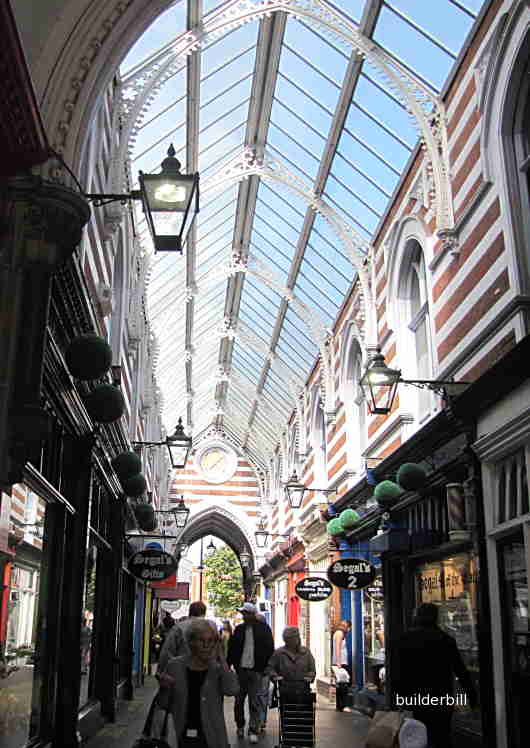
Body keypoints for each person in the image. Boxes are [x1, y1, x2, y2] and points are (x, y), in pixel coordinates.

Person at [392, 603, 477, 748]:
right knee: (441, 736)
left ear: (417, 617)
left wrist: (398, 697)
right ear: (435, 618)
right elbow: (460, 670)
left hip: (415, 698)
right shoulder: (446, 640)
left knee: (415, 737)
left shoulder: (404, 640)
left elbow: (397, 672)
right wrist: (472, 695)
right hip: (441, 697)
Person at [161, 618, 239, 748]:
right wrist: (165, 688)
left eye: (211, 641)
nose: (206, 645)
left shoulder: (217, 669)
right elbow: (163, 704)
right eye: (201, 640)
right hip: (180, 737)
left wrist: (221, 657)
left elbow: (232, 689)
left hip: (211, 738)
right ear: (191, 642)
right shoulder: (174, 666)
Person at [227, 602, 274, 743]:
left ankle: (253, 729)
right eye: (243, 613)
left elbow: (269, 649)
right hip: (241, 671)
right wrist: (228, 665)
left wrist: (267, 667)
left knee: (254, 701)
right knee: (239, 701)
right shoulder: (239, 629)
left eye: (245, 613)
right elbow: (232, 648)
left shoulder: (264, 629)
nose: (243, 616)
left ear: (252, 614)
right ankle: (240, 726)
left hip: (256, 671)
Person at [158, 601, 218, 676]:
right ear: (204, 612)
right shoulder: (213, 627)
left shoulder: (179, 627)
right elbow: (219, 650)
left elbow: (167, 651)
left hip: (182, 671)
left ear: (190, 612)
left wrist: (161, 671)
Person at [332, 620, 352, 712]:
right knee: (344, 685)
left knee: (340, 685)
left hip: (340, 663)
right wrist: (339, 663)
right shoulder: (339, 633)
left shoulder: (338, 633)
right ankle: (344, 705)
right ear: (347, 627)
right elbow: (337, 647)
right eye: (349, 627)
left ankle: (340, 706)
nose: (349, 630)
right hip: (341, 663)